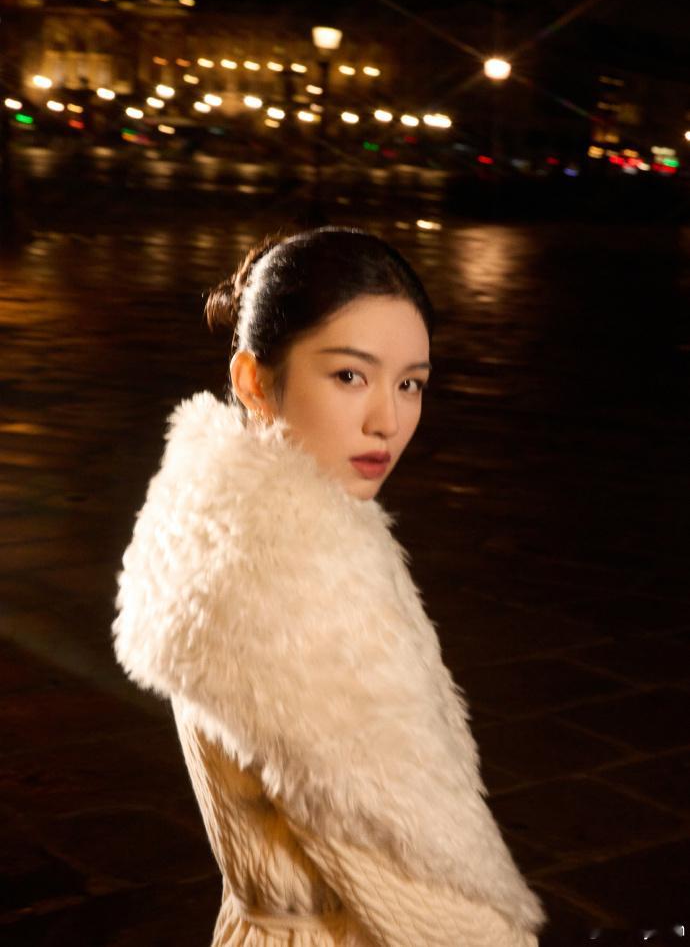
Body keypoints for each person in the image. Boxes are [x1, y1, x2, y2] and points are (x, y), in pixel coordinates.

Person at [112, 226, 546, 946]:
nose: (389, 420)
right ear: (254, 381)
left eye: (410, 383)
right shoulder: (288, 585)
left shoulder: (221, 526)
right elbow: (418, 884)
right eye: (350, 376)